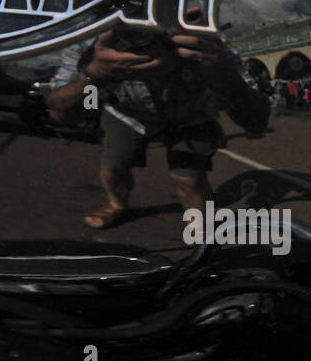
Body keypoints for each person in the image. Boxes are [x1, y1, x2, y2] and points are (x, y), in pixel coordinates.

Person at [45, 13, 269, 230]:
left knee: (189, 177)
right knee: (115, 165)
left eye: (152, 13)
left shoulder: (197, 33)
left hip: (191, 111)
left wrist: (216, 66)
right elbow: (63, 113)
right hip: (126, 112)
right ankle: (117, 203)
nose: (142, 32)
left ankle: (202, 228)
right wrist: (95, 73)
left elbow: (256, 121)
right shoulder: (89, 38)